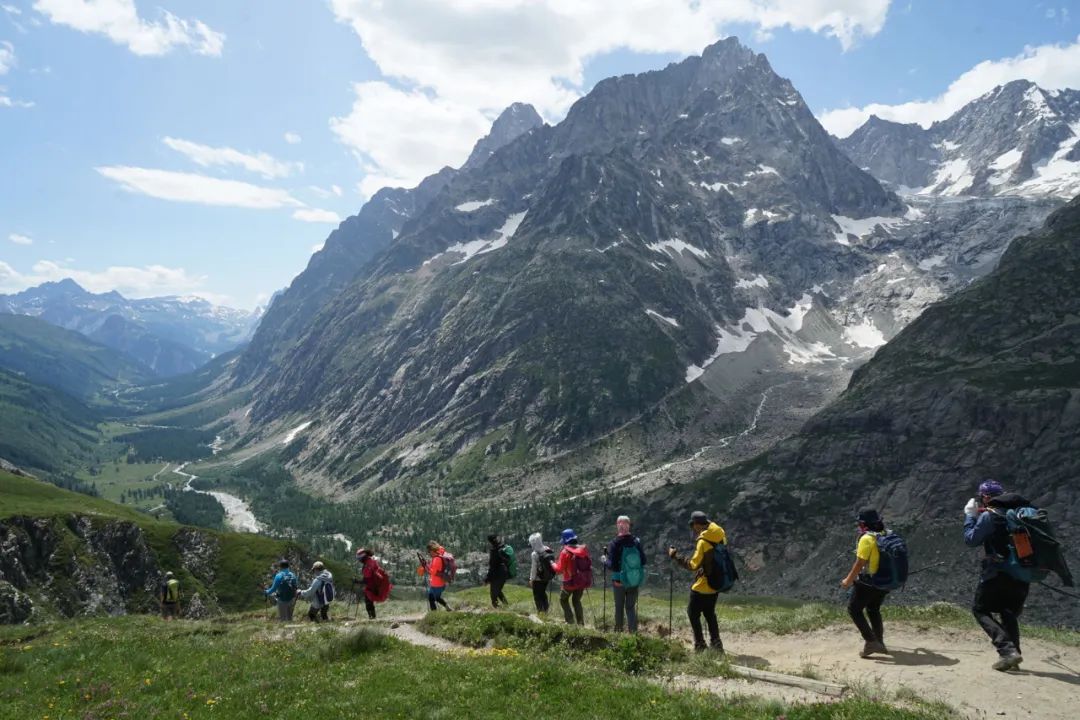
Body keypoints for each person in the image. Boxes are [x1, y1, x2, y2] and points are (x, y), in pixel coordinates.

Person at [964, 480, 1031, 671]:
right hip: (1022, 573)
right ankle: (1014, 655)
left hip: (998, 572)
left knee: (980, 610)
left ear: (985, 497)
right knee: (1007, 611)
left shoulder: (991, 515)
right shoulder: (1022, 514)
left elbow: (971, 540)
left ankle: (1007, 651)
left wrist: (969, 516)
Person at [668, 511, 726, 652]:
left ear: (697, 525)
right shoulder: (721, 536)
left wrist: (675, 556)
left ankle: (700, 644)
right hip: (716, 584)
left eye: (693, 525)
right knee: (710, 614)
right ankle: (717, 644)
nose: (693, 528)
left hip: (702, 586)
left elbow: (693, 565)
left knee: (693, 613)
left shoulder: (703, 542)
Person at [840, 509, 892, 658]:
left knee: (854, 610)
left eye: (860, 523)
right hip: (886, 580)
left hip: (869, 582)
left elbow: (859, 563)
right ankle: (879, 642)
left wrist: (847, 581)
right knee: (873, 609)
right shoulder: (888, 534)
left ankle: (871, 641)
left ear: (863, 524)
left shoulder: (867, 539)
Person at [604, 515, 647, 633]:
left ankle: (618, 633)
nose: (621, 526)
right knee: (630, 607)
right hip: (633, 580)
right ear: (629, 526)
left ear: (618, 526)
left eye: (620, 524)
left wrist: (604, 560)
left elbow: (613, 566)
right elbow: (643, 561)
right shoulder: (636, 542)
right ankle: (633, 633)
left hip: (619, 581)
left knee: (619, 607)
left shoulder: (615, 543)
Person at [552, 528, 591, 625]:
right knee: (576, 601)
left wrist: (552, 563)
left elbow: (559, 570)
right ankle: (581, 623)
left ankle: (570, 621)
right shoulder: (582, 550)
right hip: (581, 581)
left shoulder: (565, 552)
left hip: (569, 583)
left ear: (565, 541)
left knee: (563, 599)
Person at [356, 548, 391, 620]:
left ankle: (372, 618)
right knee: (370, 602)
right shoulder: (372, 561)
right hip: (375, 585)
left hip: (371, 587)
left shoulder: (367, 565)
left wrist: (357, 582)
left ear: (363, 557)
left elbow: (367, 580)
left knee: (368, 603)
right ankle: (373, 618)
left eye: (359, 558)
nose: (359, 560)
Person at [528, 532, 555, 614]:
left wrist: (531, 579)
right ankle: (546, 611)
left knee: (537, 596)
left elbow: (534, 568)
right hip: (547, 577)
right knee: (543, 593)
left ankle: (540, 612)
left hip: (538, 578)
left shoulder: (534, 554)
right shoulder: (547, 549)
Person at [422, 541, 453, 611]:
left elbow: (432, 572)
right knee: (436, 597)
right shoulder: (438, 557)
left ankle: (434, 614)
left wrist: (426, 566)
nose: (429, 553)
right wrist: (426, 565)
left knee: (431, 598)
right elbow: (432, 569)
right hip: (440, 583)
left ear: (432, 550)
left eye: (429, 551)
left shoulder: (436, 559)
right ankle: (447, 607)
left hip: (437, 584)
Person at [483, 534, 511, 609]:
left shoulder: (494, 551)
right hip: (504, 572)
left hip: (497, 575)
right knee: (498, 591)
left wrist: (487, 579)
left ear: (490, 542)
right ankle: (507, 606)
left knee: (493, 596)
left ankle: (498, 610)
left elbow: (492, 567)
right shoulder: (502, 547)